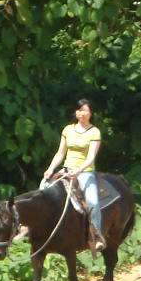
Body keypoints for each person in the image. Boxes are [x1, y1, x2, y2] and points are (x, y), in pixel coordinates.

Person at [43, 98, 105, 252]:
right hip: (66, 169)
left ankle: (96, 234)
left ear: (91, 113)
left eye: (85, 110)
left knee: (93, 202)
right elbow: (60, 153)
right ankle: (34, 226)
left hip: (85, 172)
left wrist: (79, 170)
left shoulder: (94, 132)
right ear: (75, 112)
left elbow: (91, 157)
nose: (82, 113)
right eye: (79, 110)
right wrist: (51, 168)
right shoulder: (68, 130)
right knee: (43, 188)